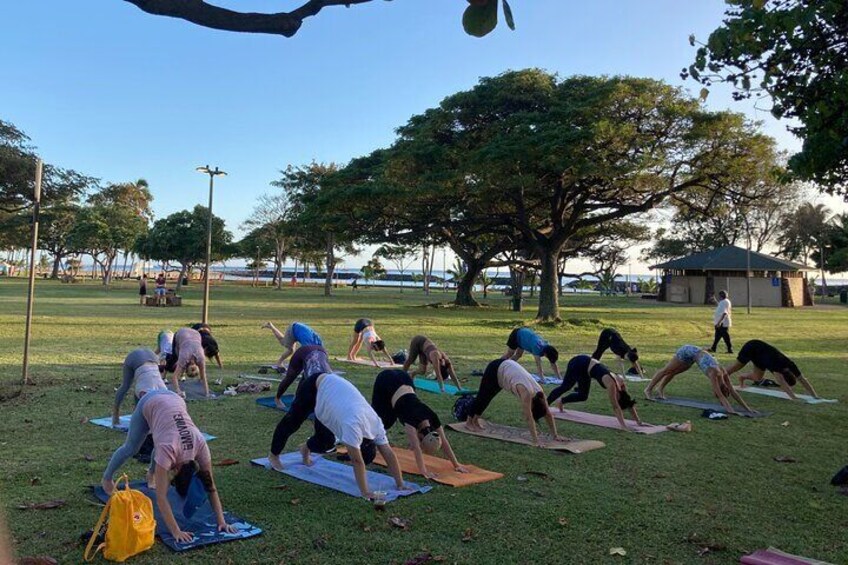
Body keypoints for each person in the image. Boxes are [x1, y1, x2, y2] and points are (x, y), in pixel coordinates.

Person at [101, 390, 238, 543]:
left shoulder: (201, 446)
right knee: (132, 447)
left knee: (160, 444)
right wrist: (176, 531)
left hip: (174, 399)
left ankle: (151, 474)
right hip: (150, 401)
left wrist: (221, 521)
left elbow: (210, 486)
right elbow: (161, 497)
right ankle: (106, 479)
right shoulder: (168, 449)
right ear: (176, 470)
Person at [268, 372, 409, 499]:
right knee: (293, 422)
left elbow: (389, 453)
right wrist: (366, 492)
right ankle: (274, 455)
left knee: (327, 442)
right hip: (316, 385)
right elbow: (357, 462)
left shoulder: (376, 426)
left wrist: (400, 483)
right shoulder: (353, 428)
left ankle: (305, 448)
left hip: (331, 400)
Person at [371, 369, 468, 478]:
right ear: (420, 436)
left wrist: (456, 464)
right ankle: (367, 443)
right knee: (381, 421)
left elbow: (444, 442)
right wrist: (423, 470)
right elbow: (416, 447)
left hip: (405, 378)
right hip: (385, 379)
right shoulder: (411, 420)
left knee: (389, 418)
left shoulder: (432, 417)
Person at [466, 359, 560, 446]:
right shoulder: (527, 393)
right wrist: (535, 441)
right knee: (483, 396)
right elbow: (528, 417)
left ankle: (475, 421)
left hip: (505, 370)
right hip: (495, 369)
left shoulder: (540, 394)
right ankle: (469, 422)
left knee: (487, 398)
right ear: (533, 406)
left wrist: (555, 435)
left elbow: (548, 414)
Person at [644, 345, 755, 415]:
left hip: (694, 356)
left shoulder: (724, 373)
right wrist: (732, 411)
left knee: (674, 372)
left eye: (727, 391)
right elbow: (721, 396)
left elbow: (734, 392)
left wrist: (748, 409)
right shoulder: (714, 374)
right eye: (726, 391)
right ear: (722, 389)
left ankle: (660, 389)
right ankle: (648, 390)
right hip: (687, 351)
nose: (728, 389)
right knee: (666, 370)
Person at [547, 354, 646, 432]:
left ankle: (561, 401)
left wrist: (638, 421)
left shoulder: (622, 386)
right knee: (566, 386)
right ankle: (545, 405)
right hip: (578, 363)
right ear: (618, 395)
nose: (615, 398)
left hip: (586, 368)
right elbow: (615, 406)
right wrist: (623, 426)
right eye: (617, 398)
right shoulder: (612, 385)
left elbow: (629, 402)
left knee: (583, 396)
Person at [725, 339, 820, 400]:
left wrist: (814, 395)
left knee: (758, 377)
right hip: (752, 347)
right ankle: (721, 378)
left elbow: (803, 380)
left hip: (761, 356)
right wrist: (793, 397)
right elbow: (782, 384)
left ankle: (742, 377)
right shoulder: (778, 368)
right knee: (736, 367)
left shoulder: (791, 365)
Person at [112, 348, 168, 426]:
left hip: (152, 355)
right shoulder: (159, 392)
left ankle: (134, 416)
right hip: (135, 358)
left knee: (139, 388)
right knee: (126, 386)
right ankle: (115, 414)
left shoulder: (164, 391)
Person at [273, 344, 332, 409]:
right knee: (290, 377)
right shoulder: (311, 378)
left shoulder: (330, 377)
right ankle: (277, 399)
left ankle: (297, 397)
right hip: (302, 352)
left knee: (307, 376)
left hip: (320, 352)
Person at [168, 327, 209, 397]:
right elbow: (203, 377)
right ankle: (178, 367)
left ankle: (180, 368)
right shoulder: (189, 357)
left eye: (191, 370)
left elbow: (203, 377)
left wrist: (207, 393)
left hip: (194, 333)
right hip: (185, 333)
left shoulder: (199, 358)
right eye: (194, 370)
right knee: (175, 355)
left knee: (178, 359)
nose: (193, 369)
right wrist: (178, 391)